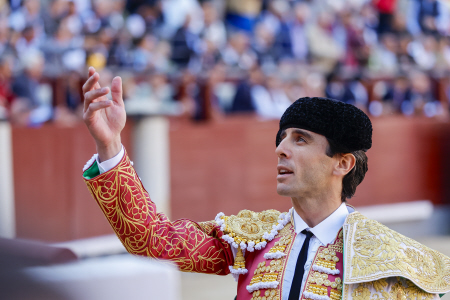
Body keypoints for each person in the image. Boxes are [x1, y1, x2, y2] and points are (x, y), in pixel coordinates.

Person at [81, 66, 450, 300]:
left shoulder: (397, 262)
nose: (281, 150)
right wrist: (110, 146)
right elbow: (151, 239)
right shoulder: (253, 239)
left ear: (343, 163)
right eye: (282, 138)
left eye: (300, 139)